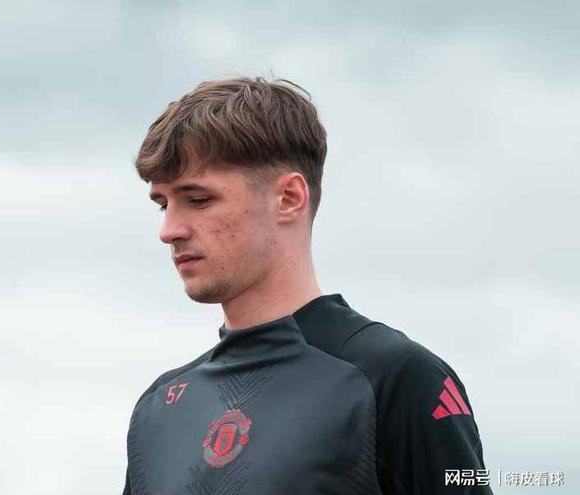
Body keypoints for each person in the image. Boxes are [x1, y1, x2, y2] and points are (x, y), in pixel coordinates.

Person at [123, 77, 492, 494]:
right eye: (163, 205)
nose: (169, 230)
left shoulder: (395, 378)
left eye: (199, 200)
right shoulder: (159, 408)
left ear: (289, 198)